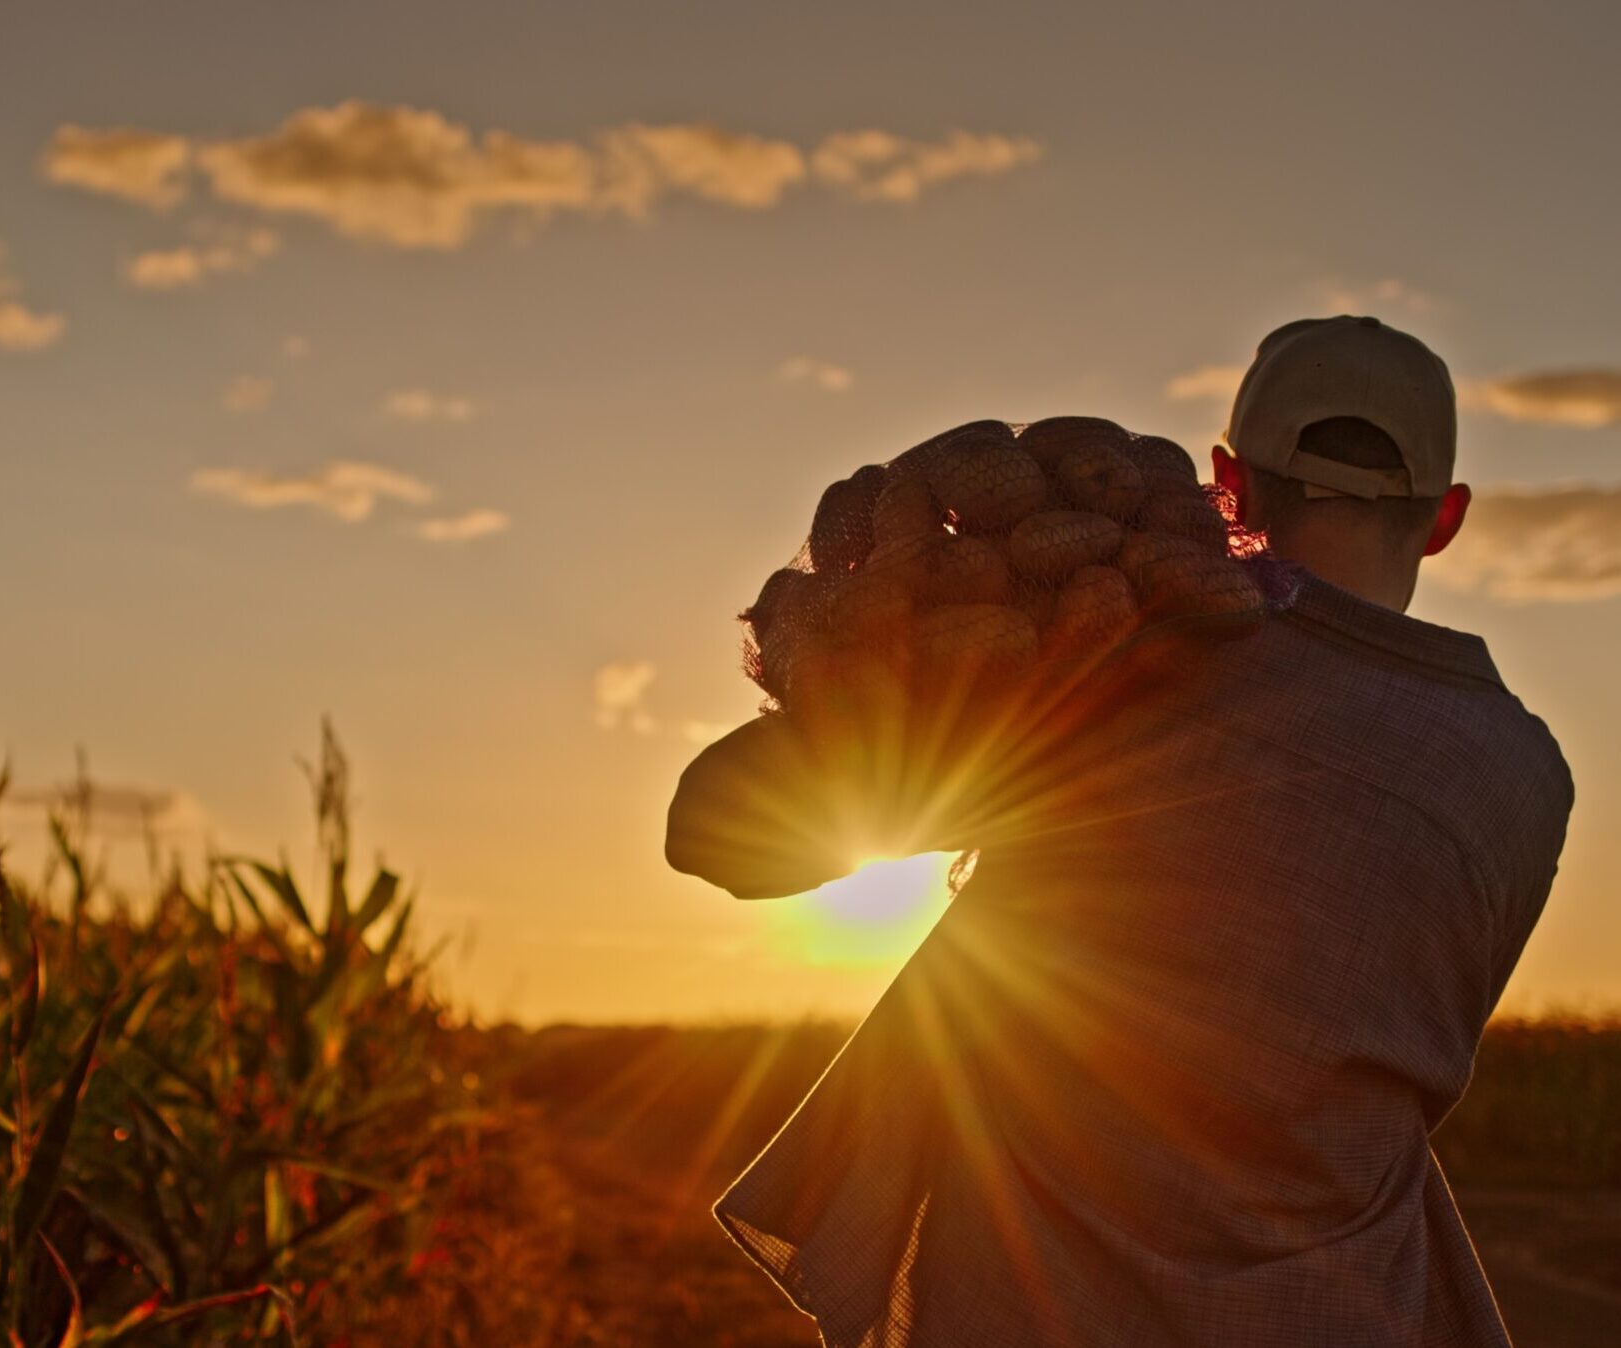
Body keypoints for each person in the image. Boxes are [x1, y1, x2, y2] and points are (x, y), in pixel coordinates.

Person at [664, 316, 1574, 1346]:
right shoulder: (1521, 774)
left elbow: (712, 831)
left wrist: (907, 689)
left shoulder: (1123, 656)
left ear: (1228, 482)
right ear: (1446, 516)